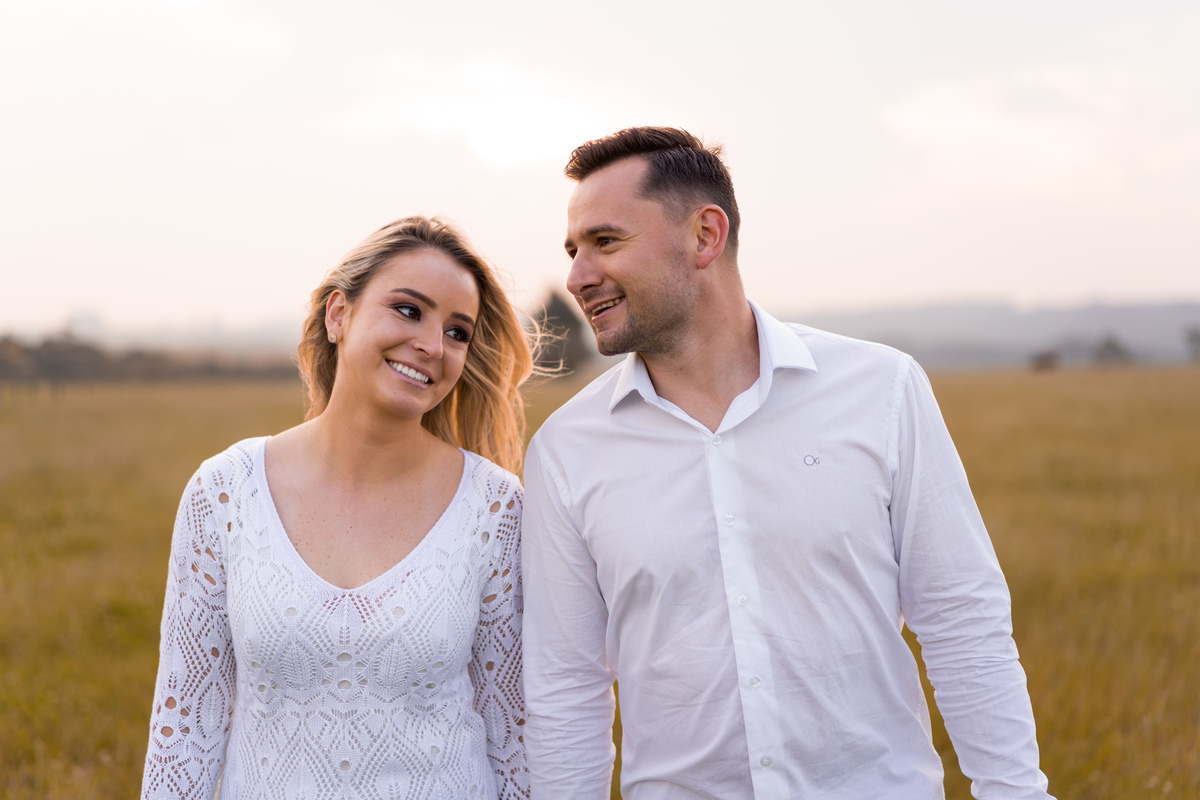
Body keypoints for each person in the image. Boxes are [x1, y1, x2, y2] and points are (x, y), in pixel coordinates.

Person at [522, 127, 1054, 799]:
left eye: (605, 242)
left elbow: (960, 617)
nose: (576, 277)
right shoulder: (566, 451)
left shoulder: (881, 389)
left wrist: (1015, 792)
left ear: (704, 236)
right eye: (573, 251)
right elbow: (567, 687)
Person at [141, 216, 532, 800]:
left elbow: (515, 741)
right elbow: (182, 742)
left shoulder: (495, 509)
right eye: (408, 310)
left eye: (457, 332)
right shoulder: (224, 493)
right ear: (338, 314)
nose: (431, 345)